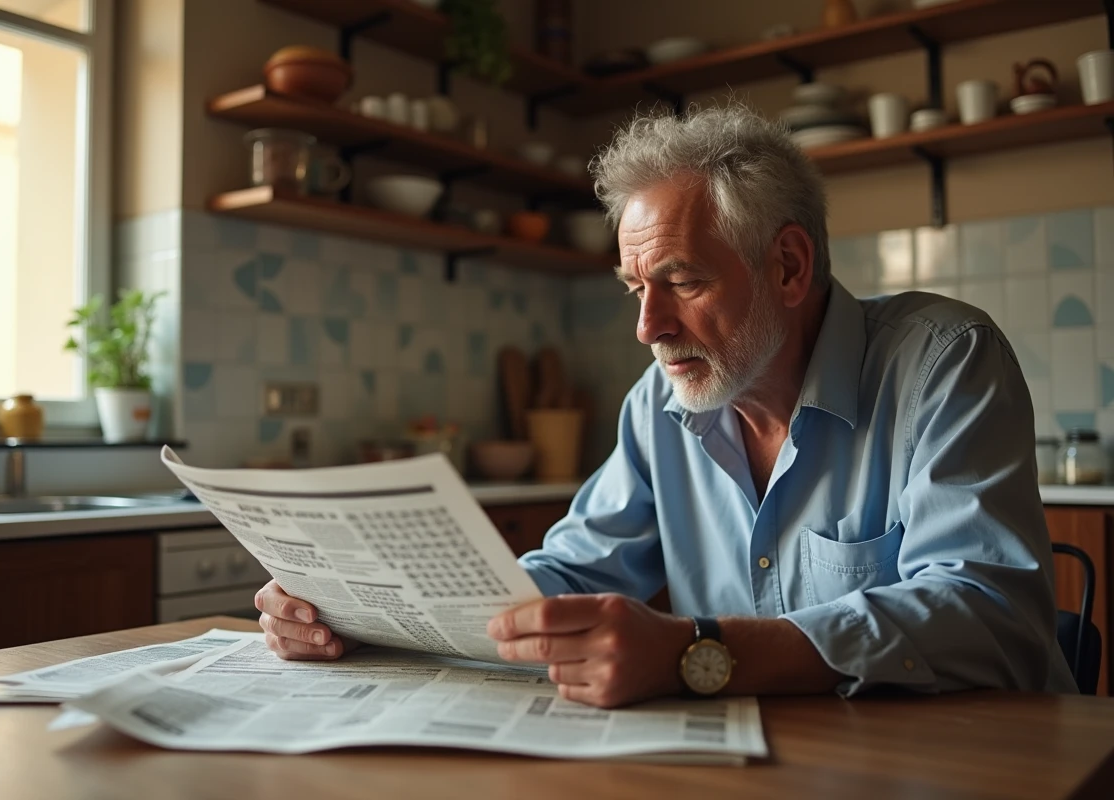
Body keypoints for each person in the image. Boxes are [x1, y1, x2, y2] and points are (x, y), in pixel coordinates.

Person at [255, 104, 1077, 707]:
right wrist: (365, 611)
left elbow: (987, 614)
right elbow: (568, 574)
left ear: (789, 268)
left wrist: (697, 653)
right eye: (635, 289)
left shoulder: (945, 362)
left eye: (682, 281)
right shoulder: (661, 401)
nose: (648, 327)